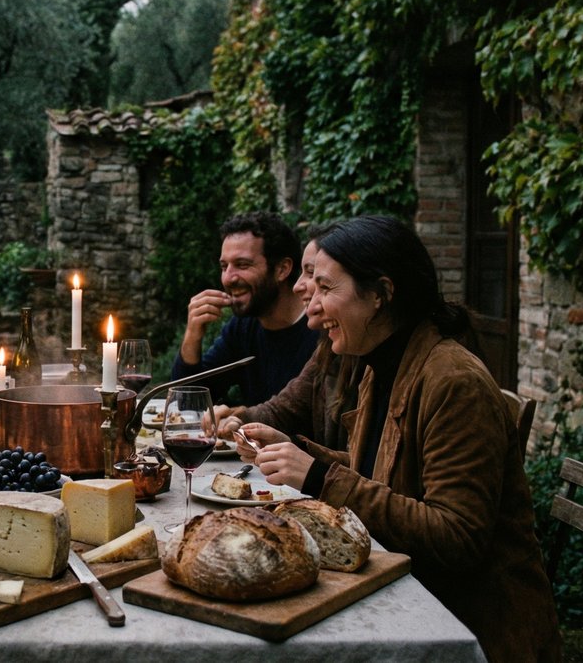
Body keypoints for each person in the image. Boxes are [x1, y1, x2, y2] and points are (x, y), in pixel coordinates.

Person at [241, 215, 561, 662]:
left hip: (473, 629)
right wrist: (299, 452)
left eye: (328, 289)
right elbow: (383, 474)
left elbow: (458, 536)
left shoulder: (454, 381)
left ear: (380, 295)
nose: (313, 300)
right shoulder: (384, 363)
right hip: (407, 593)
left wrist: (317, 476)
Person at [214, 232, 360, 451]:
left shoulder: (395, 365)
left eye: (318, 279)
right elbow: (285, 408)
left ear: (379, 295)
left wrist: (305, 462)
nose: (298, 286)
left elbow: (370, 472)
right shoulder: (330, 347)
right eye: (224, 266)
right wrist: (241, 418)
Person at [171, 212, 319, 405]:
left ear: (282, 269)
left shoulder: (321, 328)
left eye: (242, 265)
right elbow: (186, 402)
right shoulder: (243, 327)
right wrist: (192, 335)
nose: (228, 278)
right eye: (224, 267)